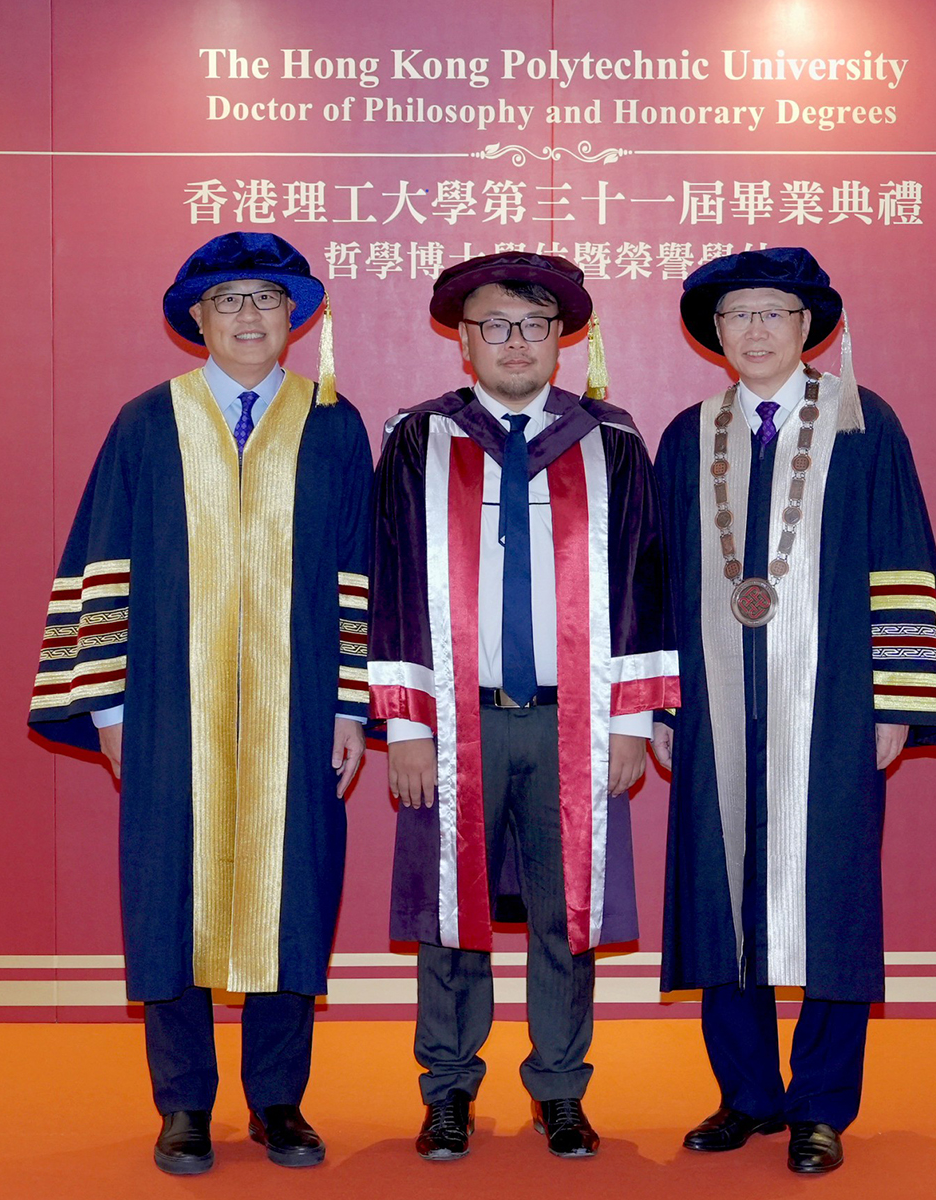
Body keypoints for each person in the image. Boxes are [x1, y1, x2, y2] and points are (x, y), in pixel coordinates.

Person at [27, 231, 373, 1176]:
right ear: (198, 319)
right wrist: (108, 711)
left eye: (266, 298)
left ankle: (278, 1101)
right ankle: (183, 1104)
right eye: (228, 300)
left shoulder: (335, 423)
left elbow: (358, 572)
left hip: (301, 707)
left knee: (292, 891)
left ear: (295, 316)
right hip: (166, 708)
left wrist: (351, 704)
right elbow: (102, 561)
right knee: (168, 894)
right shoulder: (148, 422)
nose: (249, 316)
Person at [651, 247, 936, 1174]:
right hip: (713, 702)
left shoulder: (864, 423)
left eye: (774, 313)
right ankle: (746, 1095)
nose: (754, 330)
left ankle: (822, 1105)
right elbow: (656, 580)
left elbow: (904, 557)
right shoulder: (688, 435)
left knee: (830, 896)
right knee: (720, 893)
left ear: (807, 327)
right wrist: (661, 702)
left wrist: (897, 700)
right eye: (737, 315)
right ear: (714, 331)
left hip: (833, 702)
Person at [368, 252, 679, 1162]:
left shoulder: (610, 441)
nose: (516, 342)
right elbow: (392, 581)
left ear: (561, 340)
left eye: (535, 326)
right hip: (452, 717)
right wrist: (407, 725)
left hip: (571, 717)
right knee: (452, 912)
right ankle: (448, 1089)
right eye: (496, 325)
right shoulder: (419, 441)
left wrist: (630, 721)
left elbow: (643, 584)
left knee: (565, 912)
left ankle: (560, 1088)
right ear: (463, 341)